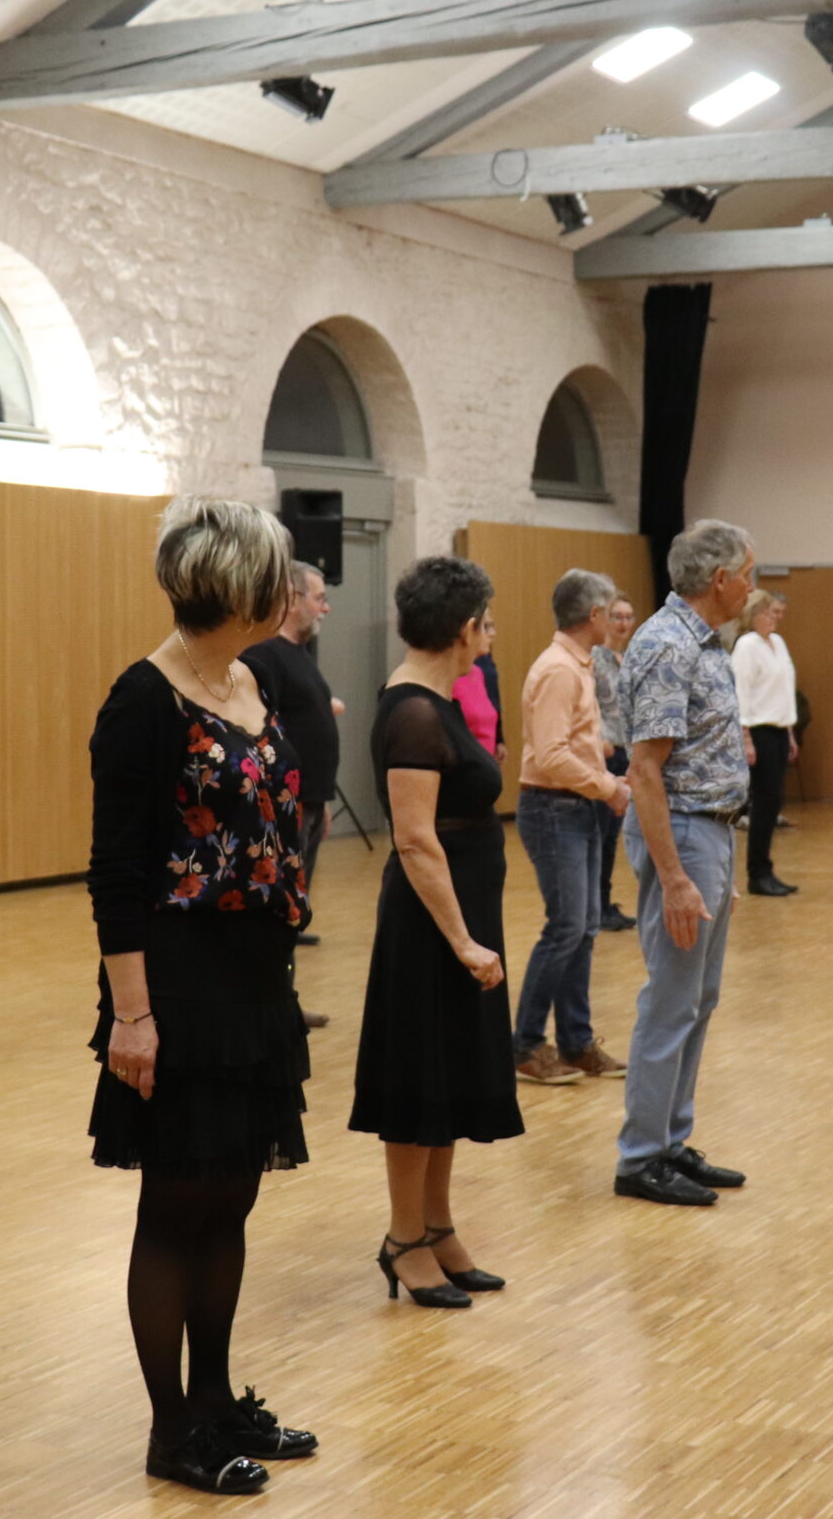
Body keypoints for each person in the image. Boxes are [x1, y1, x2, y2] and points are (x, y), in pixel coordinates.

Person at [86, 497, 317, 1496]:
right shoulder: (144, 699)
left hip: (253, 980)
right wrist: (132, 1016)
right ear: (241, 589)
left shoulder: (248, 680)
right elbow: (117, 874)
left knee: (231, 1196)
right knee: (177, 1203)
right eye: (277, 576)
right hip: (177, 984)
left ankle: (218, 1402)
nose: (289, 590)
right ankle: (171, 1429)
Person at [350, 556, 523, 1308]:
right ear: (463, 627)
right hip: (432, 924)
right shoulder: (414, 708)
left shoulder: (444, 695)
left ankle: (438, 1226)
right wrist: (461, 939)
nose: (490, 630)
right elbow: (416, 839)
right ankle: (402, 1237)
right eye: (485, 617)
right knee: (420, 1078)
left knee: (452, 1071)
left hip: (465, 911)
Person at [612, 518, 757, 1208]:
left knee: (699, 997)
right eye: (750, 574)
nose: (754, 588)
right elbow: (645, 771)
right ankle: (641, 1156)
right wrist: (675, 876)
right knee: (671, 999)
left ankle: (671, 1139)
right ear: (720, 578)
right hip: (684, 834)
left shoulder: (704, 641)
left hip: (711, 833)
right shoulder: (668, 644)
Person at [512, 569, 632, 1088]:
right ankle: (525, 1044)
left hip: (576, 806)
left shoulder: (578, 664)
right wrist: (607, 787)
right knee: (565, 928)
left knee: (582, 928)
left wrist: (605, 774)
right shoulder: (560, 669)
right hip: (554, 808)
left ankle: (577, 1043)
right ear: (593, 615)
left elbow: (572, 744)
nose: (614, 617)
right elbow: (551, 754)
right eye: (609, 609)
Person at [241, 561, 343, 1026]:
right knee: (279, 908)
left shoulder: (302, 655)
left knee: (293, 908)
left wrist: (320, 802)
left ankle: (286, 1001)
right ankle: (273, 1003)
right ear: (291, 599)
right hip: (286, 808)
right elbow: (263, 732)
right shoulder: (265, 656)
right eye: (317, 597)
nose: (325, 606)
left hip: (310, 803)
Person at [731, 588, 799, 897]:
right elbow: (741, 694)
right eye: (770, 612)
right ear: (754, 613)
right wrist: (745, 738)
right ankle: (757, 873)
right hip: (757, 730)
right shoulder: (746, 646)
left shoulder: (778, 643)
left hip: (778, 730)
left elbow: (784, 690)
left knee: (774, 800)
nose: (776, 618)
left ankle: (766, 868)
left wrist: (789, 732)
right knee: (764, 800)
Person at [592, 596, 638, 932]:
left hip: (627, 751)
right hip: (604, 751)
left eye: (628, 616)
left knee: (614, 833)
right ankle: (597, 905)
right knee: (602, 831)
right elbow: (586, 704)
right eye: (616, 616)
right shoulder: (594, 658)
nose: (623, 622)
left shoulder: (631, 658)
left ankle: (604, 902)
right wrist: (598, 740)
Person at [450, 613, 502, 757]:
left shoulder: (478, 672)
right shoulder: (450, 677)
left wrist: (499, 739)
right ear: (467, 631)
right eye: (485, 627)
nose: (492, 634)